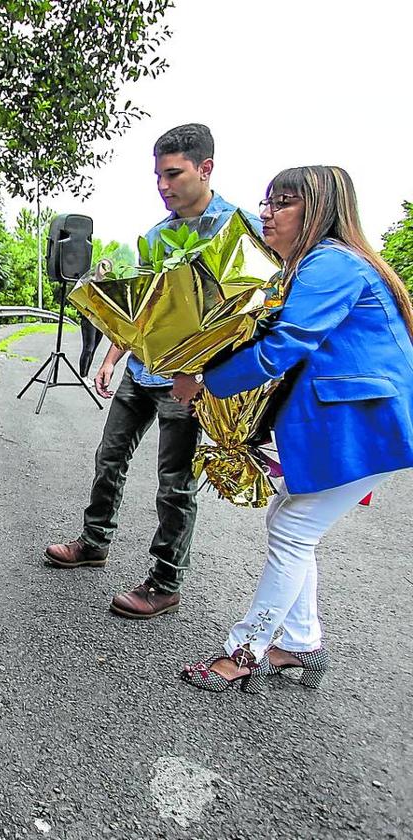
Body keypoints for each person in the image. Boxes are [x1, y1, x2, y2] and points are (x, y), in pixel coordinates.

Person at [171, 165, 413, 692]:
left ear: (320, 209)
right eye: (266, 201)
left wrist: (205, 381)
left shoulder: (331, 263)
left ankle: (246, 650)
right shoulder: (322, 264)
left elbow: (283, 346)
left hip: (367, 425)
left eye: (282, 203)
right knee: (290, 523)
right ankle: (300, 643)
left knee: (292, 528)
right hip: (354, 422)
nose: (266, 213)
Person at [44, 123, 262, 618]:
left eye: (173, 174)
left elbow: (252, 316)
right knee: (109, 457)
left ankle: (165, 582)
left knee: (174, 483)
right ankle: (94, 541)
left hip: (188, 383)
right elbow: (141, 312)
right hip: (141, 372)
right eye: (157, 176)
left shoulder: (239, 233)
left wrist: (214, 379)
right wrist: (111, 356)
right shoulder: (159, 236)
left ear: (205, 168)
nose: (163, 186)